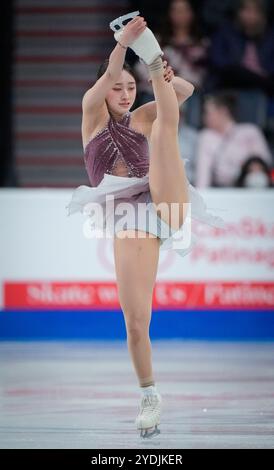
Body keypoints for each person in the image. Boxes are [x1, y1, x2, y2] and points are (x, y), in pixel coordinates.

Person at [66, 14, 224, 438]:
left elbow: (187, 90)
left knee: (162, 131)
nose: (123, 92)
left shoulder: (142, 116)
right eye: (117, 86)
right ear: (103, 88)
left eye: (129, 87)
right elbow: (109, 78)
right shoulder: (92, 115)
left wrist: (163, 74)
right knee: (136, 321)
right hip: (125, 214)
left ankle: (155, 61)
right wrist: (122, 45)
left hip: (163, 199)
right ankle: (150, 395)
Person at [195, 91, 272, 187]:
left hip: (252, 188)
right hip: (223, 192)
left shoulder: (250, 131)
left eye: (208, 113)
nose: (204, 118)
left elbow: (265, 163)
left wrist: (251, 166)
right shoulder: (206, 136)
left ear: (223, 111)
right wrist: (201, 197)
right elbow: (202, 176)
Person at [206, 0, 274, 96]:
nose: (251, 16)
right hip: (228, 88)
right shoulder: (225, 32)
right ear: (238, 12)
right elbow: (219, 63)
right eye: (247, 10)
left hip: (263, 91)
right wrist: (250, 75)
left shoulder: (270, 36)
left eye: (256, 11)